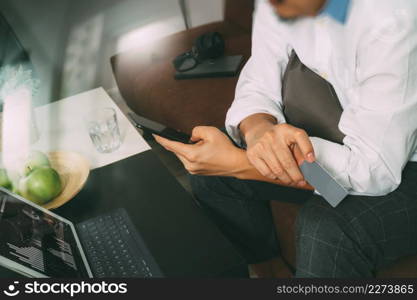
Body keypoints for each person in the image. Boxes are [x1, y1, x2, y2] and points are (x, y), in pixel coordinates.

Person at [155, 0, 417, 278]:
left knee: (327, 230)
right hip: (342, 140)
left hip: (397, 164)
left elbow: (373, 172)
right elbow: (259, 79)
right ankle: (271, 273)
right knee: (212, 177)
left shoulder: (394, 19)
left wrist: (242, 163)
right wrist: (258, 132)